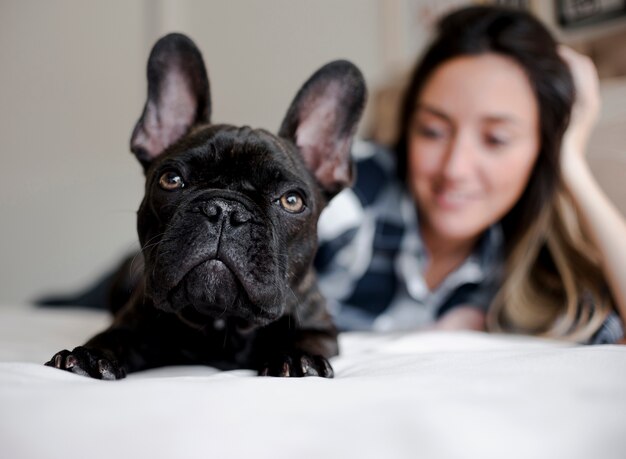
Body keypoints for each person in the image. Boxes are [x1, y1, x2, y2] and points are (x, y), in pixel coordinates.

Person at [314, 5, 626, 343]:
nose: (454, 169)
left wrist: (571, 165)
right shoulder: (345, 194)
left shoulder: (531, 266)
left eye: (496, 139)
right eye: (432, 131)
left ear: (542, 150)